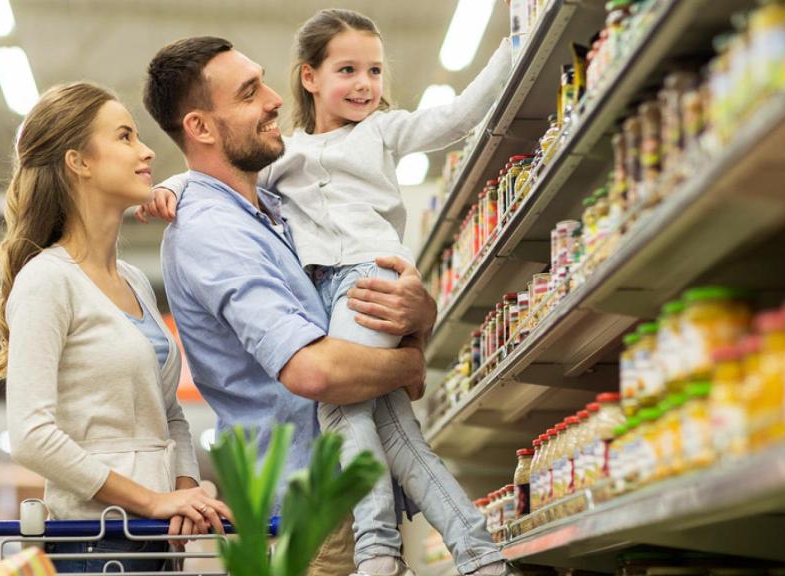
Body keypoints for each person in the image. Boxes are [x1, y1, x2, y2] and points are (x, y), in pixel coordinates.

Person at [141, 10, 514, 576]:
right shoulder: (216, 225)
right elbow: (316, 375)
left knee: (398, 435)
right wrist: (412, 360)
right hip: (310, 504)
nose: (272, 99)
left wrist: (419, 315)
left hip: (363, 305)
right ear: (201, 127)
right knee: (380, 425)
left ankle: (466, 553)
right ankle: (423, 550)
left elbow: (456, 117)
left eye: (374, 71)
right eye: (249, 92)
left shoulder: (273, 204)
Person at [0, 81, 230, 574]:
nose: (146, 151)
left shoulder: (135, 282)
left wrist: (185, 494)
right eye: (124, 136)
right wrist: (151, 500)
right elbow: (31, 435)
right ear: (79, 162)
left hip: (155, 543)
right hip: (94, 545)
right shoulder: (47, 280)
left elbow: (169, 415)